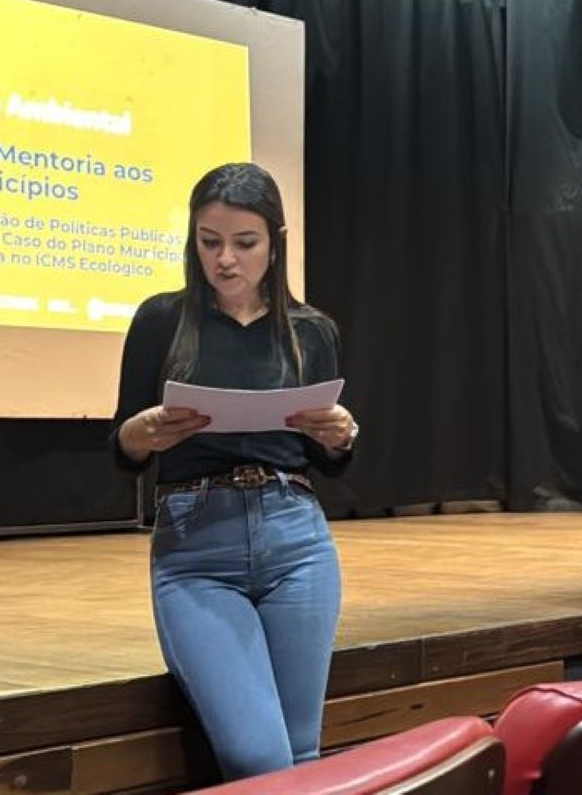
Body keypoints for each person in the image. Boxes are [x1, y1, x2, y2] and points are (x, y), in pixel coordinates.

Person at [109, 163, 359, 779]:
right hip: (196, 546)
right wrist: (139, 434)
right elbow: (122, 447)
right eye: (209, 241)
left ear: (275, 244)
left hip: (296, 537)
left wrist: (340, 436)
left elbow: (330, 462)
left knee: (301, 752)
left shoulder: (311, 331)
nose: (225, 259)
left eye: (244, 243)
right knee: (258, 755)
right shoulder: (161, 320)